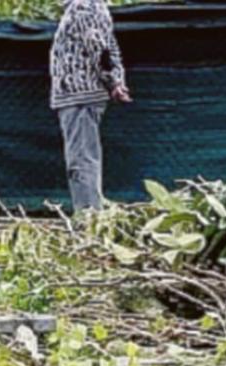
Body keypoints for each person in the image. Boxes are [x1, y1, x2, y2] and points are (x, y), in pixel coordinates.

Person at [50, 0, 130, 212]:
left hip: (80, 95)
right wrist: (117, 79)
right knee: (82, 157)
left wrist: (113, 81)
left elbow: (98, 47)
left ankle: (88, 216)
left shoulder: (84, 6)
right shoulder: (91, 6)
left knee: (81, 159)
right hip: (76, 96)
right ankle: (89, 214)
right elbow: (109, 48)